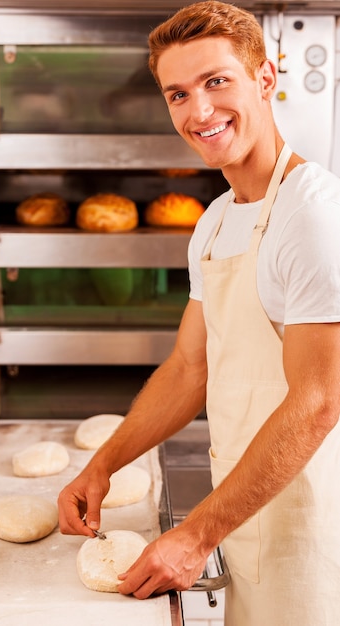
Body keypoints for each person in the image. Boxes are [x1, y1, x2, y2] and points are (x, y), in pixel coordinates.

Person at [58, 2, 340, 624]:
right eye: (178, 93)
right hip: (244, 516)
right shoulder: (214, 221)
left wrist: (195, 535)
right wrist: (102, 467)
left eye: (217, 82)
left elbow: (319, 400)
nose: (199, 111)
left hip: (310, 535)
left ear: (265, 80)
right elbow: (190, 367)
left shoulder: (312, 214)